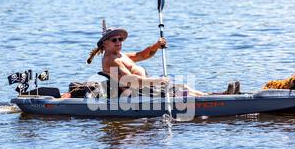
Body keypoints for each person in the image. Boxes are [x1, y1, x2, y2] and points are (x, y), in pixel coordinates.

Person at [86, 21, 214, 97]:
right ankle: (212, 101)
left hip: (145, 88)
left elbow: (142, 55)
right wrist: (157, 81)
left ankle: (211, 96)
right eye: (114, 40)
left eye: (120, 39)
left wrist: (156, 46)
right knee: (180, 89)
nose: (118, 42)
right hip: (137, 94)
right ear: (104, 44)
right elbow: (131, 81)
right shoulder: (111, 60)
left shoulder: (120, 55)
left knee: (182, 86)